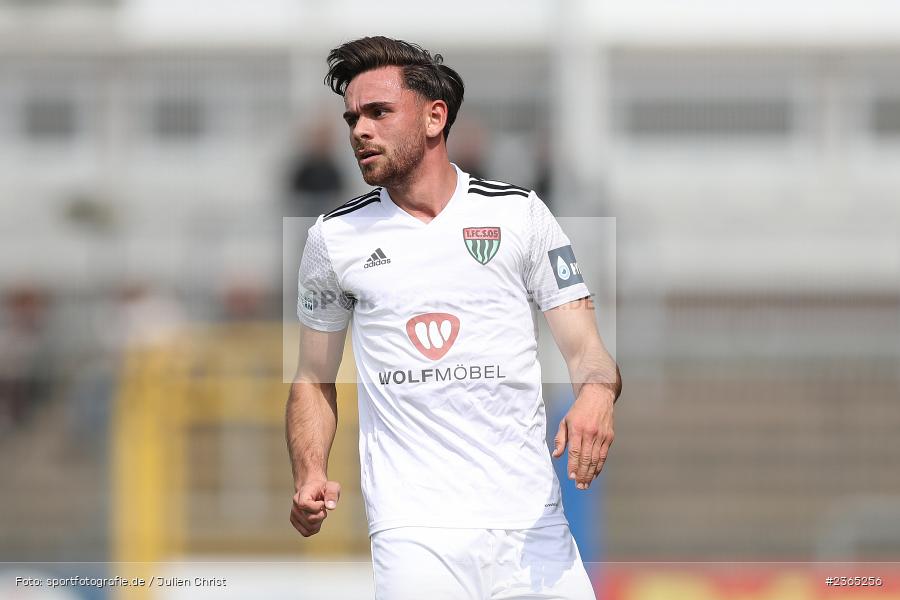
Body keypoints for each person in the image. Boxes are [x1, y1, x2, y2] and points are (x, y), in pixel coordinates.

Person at [286, 36, 621, 600]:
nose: (359, 131)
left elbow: (588, 351)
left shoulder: (520, 217)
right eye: (352, 119)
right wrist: (309, 471)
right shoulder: (333, 239)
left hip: (531, 526)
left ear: (435, 117)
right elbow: (313, 378)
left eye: (378, 112)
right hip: (414, 531)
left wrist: (595, 395)